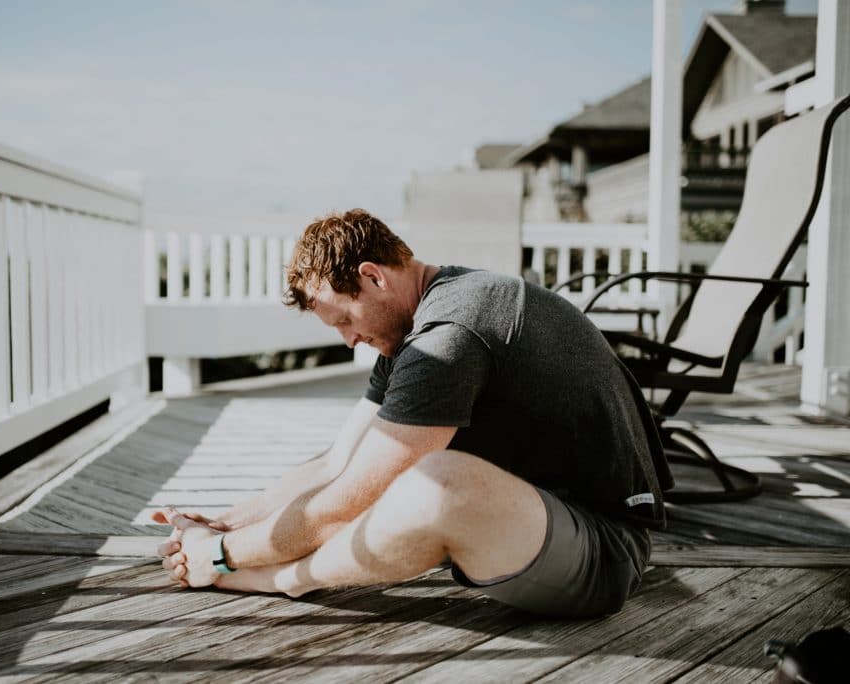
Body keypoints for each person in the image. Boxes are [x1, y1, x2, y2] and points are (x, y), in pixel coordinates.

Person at [154, 208, 672, 618]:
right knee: (387, 472)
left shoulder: (449, 335)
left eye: (344, 320)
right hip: (530, 524)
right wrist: (224, 523)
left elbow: (348, 501)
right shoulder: (414, 330)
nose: (349, 339)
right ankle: (257, 566)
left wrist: (225, 556)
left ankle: (284, 580)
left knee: (436, 484)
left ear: (372, 276)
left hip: (601, 551)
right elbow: (338, 463)